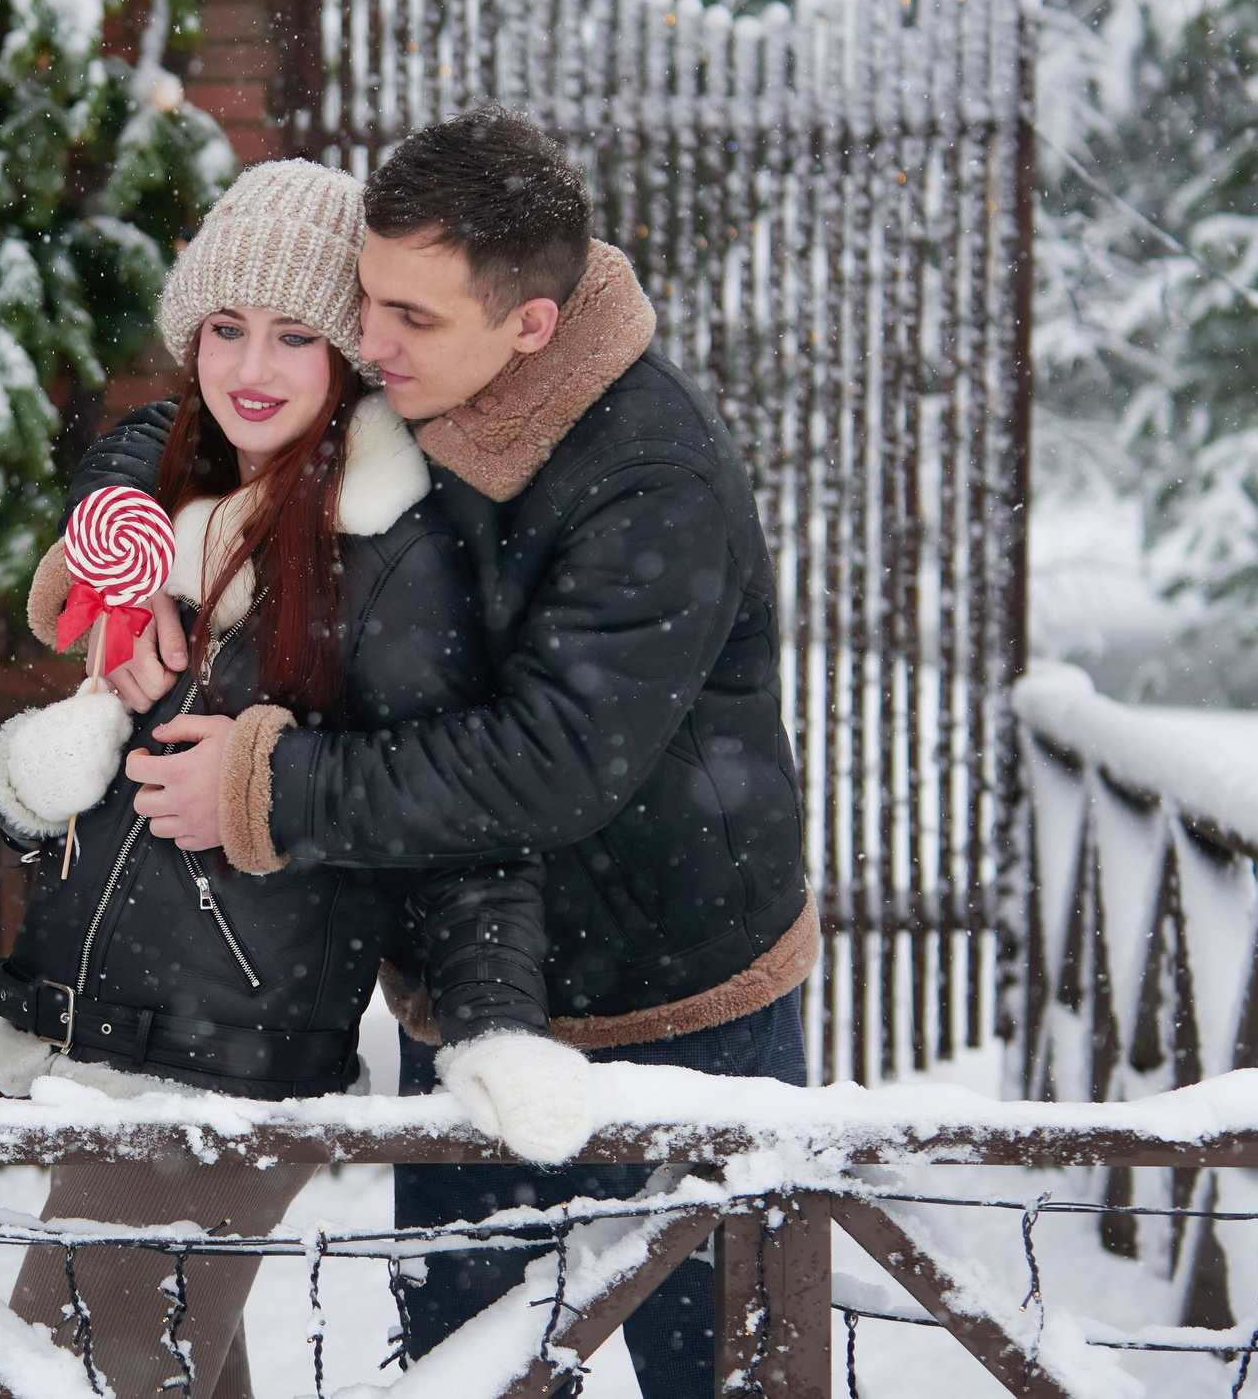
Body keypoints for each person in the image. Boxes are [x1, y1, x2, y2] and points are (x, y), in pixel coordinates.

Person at [56, 109, 813, 1399]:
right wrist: (115, 523)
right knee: (465, 1374)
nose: (369, 341)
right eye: (364, 303)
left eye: (407, 317)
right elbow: (198, 415)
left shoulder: (649, 477)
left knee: (720, 1377)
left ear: (529, 324)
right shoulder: (417, 375)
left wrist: (268, 786)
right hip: (466, 996)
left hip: (676, 1006)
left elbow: (553, 762)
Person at [0, 159, 595, 1399]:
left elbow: (458, 816)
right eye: (225, 327)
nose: (251, 366)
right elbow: (128, 816)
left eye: (296, 334)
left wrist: (495, 1023)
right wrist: (39, 789)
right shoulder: (183, 499)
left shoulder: (390, 558)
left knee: (59, 1375)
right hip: (108, 1042)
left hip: (222, 1070)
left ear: (350, 354)